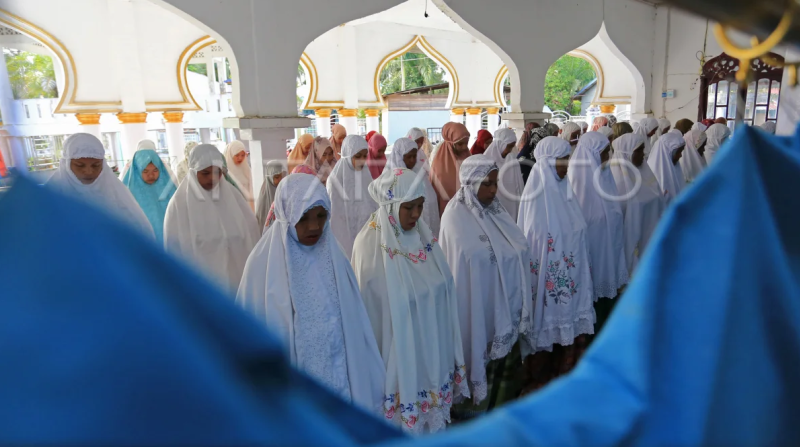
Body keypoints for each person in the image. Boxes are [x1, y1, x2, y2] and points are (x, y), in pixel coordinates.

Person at [6, 125, 800, 445]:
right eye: (307, 221)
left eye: (321, 221)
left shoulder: (371, 251)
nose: (317, 231)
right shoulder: (267, 262)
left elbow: (363, 328)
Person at [237, 173, 385, 414]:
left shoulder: (336, 256)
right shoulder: (262, 264)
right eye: (303, 218)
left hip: (341, 373)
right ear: (287, 215)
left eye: (321, 216)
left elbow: (355, 323)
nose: (314, 226)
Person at [352, 167, 469, 434]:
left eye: (420, 206)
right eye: (409, 208)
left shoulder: (422, 236)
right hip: (399, 348)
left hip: (429, 347)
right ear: (391, 205)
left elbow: (443, 283)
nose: (416, 215)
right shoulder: (370, 246)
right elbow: (375, 309)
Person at [440, 155, 533, 412]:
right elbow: (465, 261)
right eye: (487, 184)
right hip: (477, 304)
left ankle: (503, 408)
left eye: (496, 183)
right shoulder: (455, 216)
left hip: (504, 307)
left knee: (505, 376)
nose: (494, 190)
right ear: (472, 183)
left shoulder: (495, 210)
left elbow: (518, 245)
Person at [517, 137, 594, 388]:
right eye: (562, 159)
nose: (567, 165)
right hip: (548, 287)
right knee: (547, 337)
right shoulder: (536, 200)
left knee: (569, 333)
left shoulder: (565, 193)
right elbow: (536, 241)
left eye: (568, 159)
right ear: (548, 162)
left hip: (570, 281)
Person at [164, 144, 260, 294]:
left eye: (217, 172)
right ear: (193, 172)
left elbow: (252, 235)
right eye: (205, 173)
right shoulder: (179, 205)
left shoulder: (234, 199)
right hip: (201, 290)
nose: (213, 178)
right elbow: (174, 251)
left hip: (238, 287)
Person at [568, 132, 628, 330]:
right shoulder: (578, 181)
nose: (607, 158)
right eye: (603, 153)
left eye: (607, 152)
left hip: (607, 248)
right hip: (592, 249)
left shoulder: (606, 177)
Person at [48, 133, 153, 237]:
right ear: (66, 164)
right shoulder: (50, 197)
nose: (89, 171)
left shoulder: (116, 195)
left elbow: (140, 232)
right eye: (80, 165)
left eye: (96, 165)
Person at [610, 133, 665, 275]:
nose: (643, 154)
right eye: (639, 150)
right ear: (627, 153)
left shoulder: (645, 172)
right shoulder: (617, 181)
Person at [327, 135, 377, 256]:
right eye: (357, 156)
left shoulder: (365, 174)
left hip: (366, 233)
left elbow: (373, 202)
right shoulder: (335, 179)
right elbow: (335, 215)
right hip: (345, 234)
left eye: (365, 156)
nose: (362, 160)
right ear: (348, 155)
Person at [121, 149, 178, 243]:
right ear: (137, 171)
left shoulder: (170, 191)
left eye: (155, 170)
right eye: (145, 171)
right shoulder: (126, 195)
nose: (151, 175)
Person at [430, 122, 471, 216]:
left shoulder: (468, 158)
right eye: (460, 144)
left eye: (466, 143)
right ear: (450, 143)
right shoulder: (439, 166)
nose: (464, 147)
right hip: (449, 214)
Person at [484, 128, 524, 221]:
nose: (509, 150)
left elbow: (519, 185)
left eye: (512, 147)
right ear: (500, 144)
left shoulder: (512, 159)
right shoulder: (486, 161)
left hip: (511, 204)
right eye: (508, 147)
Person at [406, 129, 441, 236]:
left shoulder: (421, 154)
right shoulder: (406, 154)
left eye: (421, 141)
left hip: (426, 188)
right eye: (417, 141)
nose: (419, 144)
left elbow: (427, 170)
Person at [647, 131, 685, 206]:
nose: (681, 155)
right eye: (679, 152)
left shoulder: (675, 166)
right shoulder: (653, 174)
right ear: (668, 152)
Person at [254, 160, 288, 229]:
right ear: (270, 177)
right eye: (277, 177)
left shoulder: (283, 189)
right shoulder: (264, 195)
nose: (280, 180)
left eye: (282, 176)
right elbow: (262, 219)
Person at [224, 141, 254, 210]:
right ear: (231, 154)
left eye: (243, 155)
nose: (240, 158)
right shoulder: (226, 172)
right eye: (237, 155)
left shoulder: (246, 169)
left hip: (250, 206)